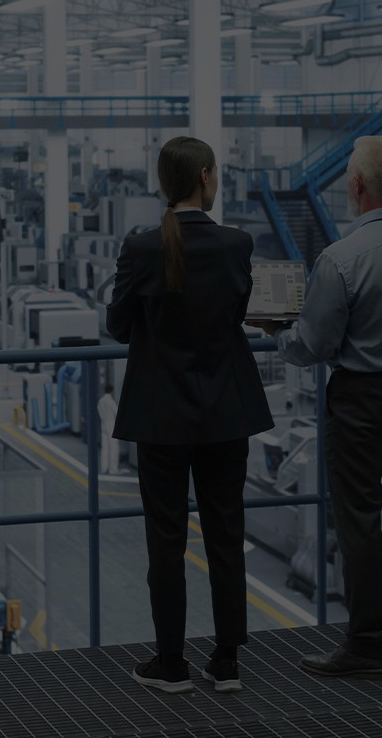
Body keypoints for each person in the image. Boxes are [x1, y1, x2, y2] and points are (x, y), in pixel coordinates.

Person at [256, 135, 382, 677]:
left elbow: (312, 346)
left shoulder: (341, 258)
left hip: (362, 400)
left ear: (356, 185)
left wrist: (278, 332)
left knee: (359, 520)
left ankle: (368, 645)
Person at [107, 135, 274, 694]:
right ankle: (226, 661)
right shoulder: (236, 244)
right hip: (226, 413)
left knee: (166, 540)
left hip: (162, 417)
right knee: (226, 533)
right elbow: (246, 310)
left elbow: (116, 323)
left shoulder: (142, 247)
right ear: (205, 177)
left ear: (166, 181)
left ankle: (171, 662)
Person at [97, 383, 120, 475]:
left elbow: (99, 412)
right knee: (113, 447)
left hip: (103, 424)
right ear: (111, 391)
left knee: (104, 447)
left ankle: (104, 468)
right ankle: (113, 469)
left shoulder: (101, 401)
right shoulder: (111, 402)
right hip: (111, 424)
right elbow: (117, 412)